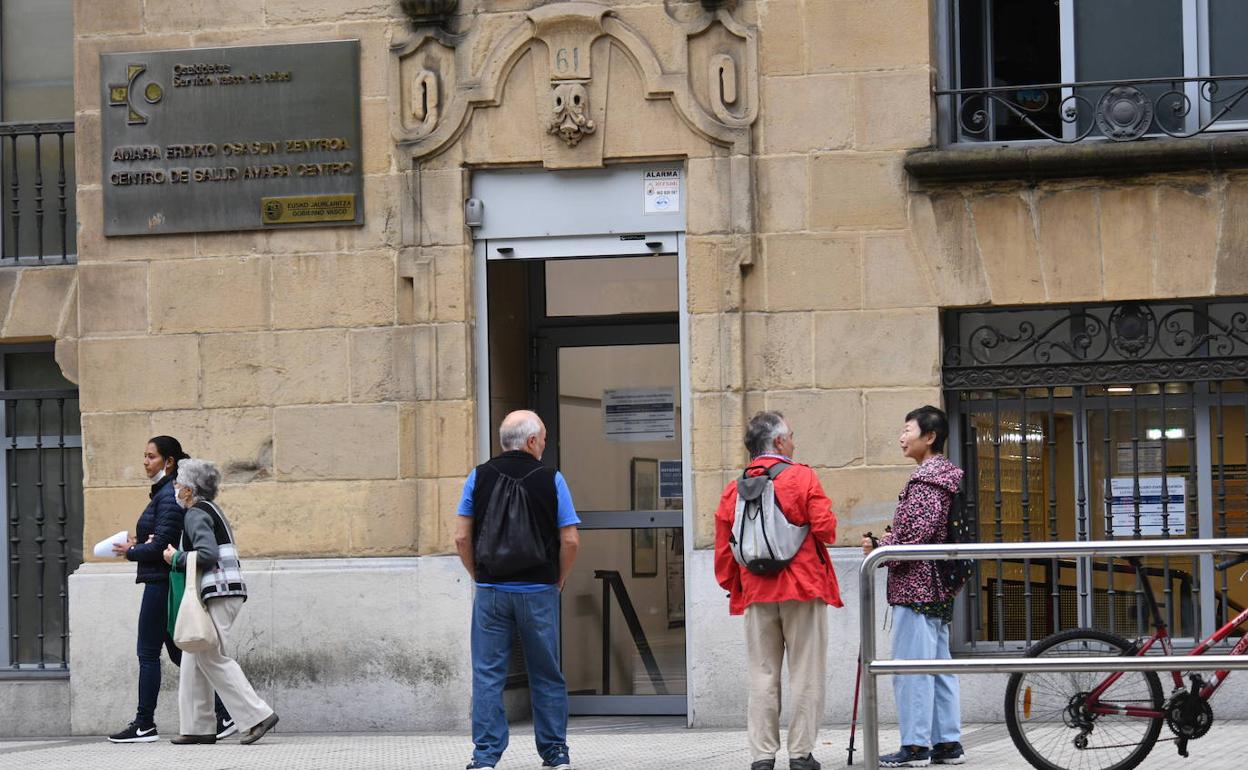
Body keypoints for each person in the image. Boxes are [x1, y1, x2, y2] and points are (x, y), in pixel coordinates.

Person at [714, 411, 842, 770]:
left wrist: (737, 585)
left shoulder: (734, 488)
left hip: (756, 591)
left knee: (762, 674)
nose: (794, 443)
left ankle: (762, 756)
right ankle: (800, 754)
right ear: (779, 441)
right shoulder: (802, 476)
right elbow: (826, 529)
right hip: (803, 586)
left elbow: (724, 551)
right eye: (792, 436)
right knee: (805, 672)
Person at [454, 410, 580, 770]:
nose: (544, 445)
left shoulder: (478, 476)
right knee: (546, 673)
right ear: (531, 441)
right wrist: (559, 578)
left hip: (492, 592)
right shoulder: (552, 479)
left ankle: (485, 757)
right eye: (543, 439)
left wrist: (479, 575)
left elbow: (461, 537)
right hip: (538, 591)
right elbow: (570, 540)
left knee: (488, 674)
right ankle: (555, 752)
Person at [108, 437, 232, 744]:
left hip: (161, 583)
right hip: (162, 581)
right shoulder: (164, 494)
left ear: (169, 461)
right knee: (181, 655)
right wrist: (141, 543)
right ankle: (226, 713)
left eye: (151, 456)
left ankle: (144, 724)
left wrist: (130, 551)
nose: (145, 462)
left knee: (148, 653)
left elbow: (161, 545)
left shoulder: (168, 496)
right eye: (144, 456)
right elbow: (159, 539)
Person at [861, 406, 966, 767]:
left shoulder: (926, 481)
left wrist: (881, 547)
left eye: (908, 430)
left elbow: (915, 538)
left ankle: (916, 746)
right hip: (938, 585)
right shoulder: (946, 477)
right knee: (938, 666)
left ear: (930, 436)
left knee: (912, 668)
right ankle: (947, 743)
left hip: (916, 587)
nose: (902, 437)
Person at [161, 458, 279, 745]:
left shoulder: (195, 513)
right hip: (224, 591)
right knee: (193, 657)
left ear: (189, 490)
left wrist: (175, 557)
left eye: (178, 484)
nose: (175, 489)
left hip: (218, 592)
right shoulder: (210, 509)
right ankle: (197, 727)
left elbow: (207, 554)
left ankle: (258, 715)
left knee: (209, 656)